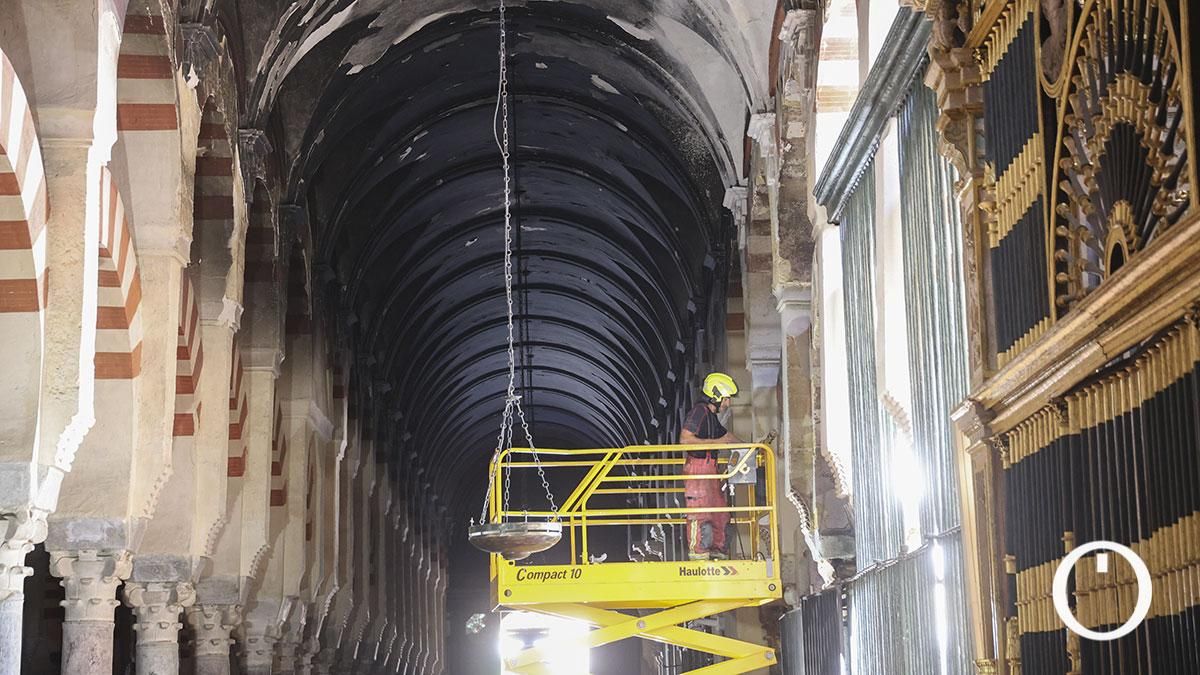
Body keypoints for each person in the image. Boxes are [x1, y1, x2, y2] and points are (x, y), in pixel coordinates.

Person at [678, 372, 742, 561]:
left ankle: (717, 552)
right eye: (726, 399)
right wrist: (715, 443)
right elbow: (685, 440)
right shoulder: (699, 412)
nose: (727, 403)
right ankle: (698, 555)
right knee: (700, 512)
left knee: (720, 513)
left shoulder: (712, 418)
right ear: (716, 395)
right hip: (698, 468)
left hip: (710, 469)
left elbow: (727, 438)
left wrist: (752, 450)